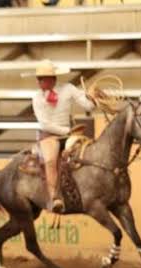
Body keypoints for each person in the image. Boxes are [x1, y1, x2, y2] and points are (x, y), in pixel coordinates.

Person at [25, 60, 96, 214]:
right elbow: (44, 124)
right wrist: (66, 131)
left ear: (53, 79)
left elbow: (89, 107)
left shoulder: (68, 89)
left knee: (84, 154)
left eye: (43, 78)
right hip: (49, 136)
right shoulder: (37, 97)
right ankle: (54, 197)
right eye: (39, 78)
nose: (40, 82)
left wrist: (92, 97)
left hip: (69, 133)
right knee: (50, 161)